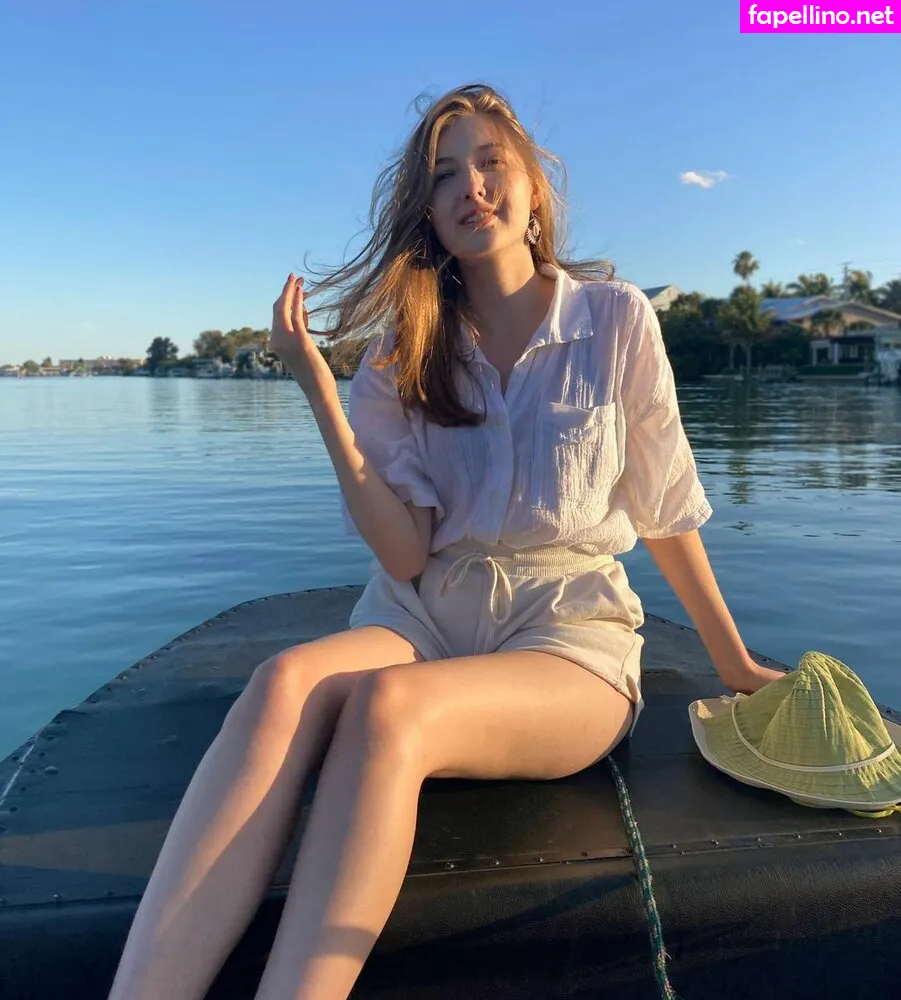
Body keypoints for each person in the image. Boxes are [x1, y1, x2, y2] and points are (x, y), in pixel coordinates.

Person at [107, 83, 785, 1000]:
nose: (470, 186)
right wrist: (321, 395)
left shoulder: (614, 319)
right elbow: (403, 556)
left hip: (566, 633)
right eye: (443, 175)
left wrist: (731, 661)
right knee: (281, 685)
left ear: (533, 187)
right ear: (426, 213)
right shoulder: (401, 352)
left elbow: (665, 509)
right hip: (422, 615)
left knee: (391, 710)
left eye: (489, 163)